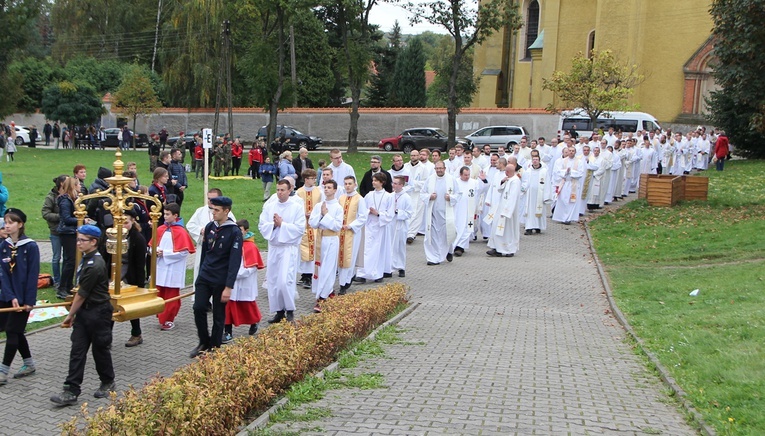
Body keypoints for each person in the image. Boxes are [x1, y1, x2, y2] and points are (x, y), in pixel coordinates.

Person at [50, 225, 115, 406]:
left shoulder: (95, 265)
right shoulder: (87, 259)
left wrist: (70, 315)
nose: (78, 243)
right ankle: (71, 390)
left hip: (98, 312)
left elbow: (81, 294)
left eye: (82, 240)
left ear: (93, 242)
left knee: (100, 349)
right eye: (77, 239)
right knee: (77, 350)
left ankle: (108, 381)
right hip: (86, 312)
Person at [190, 196, 243, 358]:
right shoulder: (210, 227)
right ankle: (203, 341)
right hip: (205, 276)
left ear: (226, 211)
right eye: (213, 209)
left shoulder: (234, 232)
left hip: (221, 279)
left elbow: (235, 261)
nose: (213, 213)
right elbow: (206, 251)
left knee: (218, 315)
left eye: (217, 210)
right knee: (198, 307)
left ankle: (215, 345)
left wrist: (229, 286)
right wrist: (200, 274)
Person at [0, 209, 40, 385]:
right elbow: (2, 274)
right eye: (5, 223)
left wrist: (28, 300)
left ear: (20, 224)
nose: (7, 226)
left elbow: (33, 275)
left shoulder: (30, 246)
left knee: (12, 331)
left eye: (10, 222)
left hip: (24, 297)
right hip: (7, 297)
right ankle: (29, 363)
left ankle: (3, 371)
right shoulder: (3, 246)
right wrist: (10, 296)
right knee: (14, 330)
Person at [258, 180, 305, 324]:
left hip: (287, 249)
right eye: (278, 189)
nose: (279, 192)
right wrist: (273, 224)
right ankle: (279, 311)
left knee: (285, 281)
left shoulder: (296, 207)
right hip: (274, 248)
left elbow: (299, 228)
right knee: (273, 281)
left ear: (289, 190)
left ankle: (290, 310)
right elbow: (262, 225)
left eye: (282, 190)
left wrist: (282, 225)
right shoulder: (270, 206)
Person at [151, 202, 195, 332]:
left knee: (171, 296)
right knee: (160, 293)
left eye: (167, 214)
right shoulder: (160, 229)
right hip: (160, 267)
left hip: (173, 269)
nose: (165, 216)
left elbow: (184, 252)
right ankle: (161, 315)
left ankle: (169, 318)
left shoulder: (181, 232)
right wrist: (155, 251)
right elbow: (151, 246)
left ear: (175, 215)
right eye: (164, 214)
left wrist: (166, 254)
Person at [223, 219, 264, 342]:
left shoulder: (251, 247)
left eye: (240, 230)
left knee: (247, 306)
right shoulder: (231, 243)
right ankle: (228, 332)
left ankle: (254, 322)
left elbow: (251, 267)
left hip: (245, 281)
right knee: (228, 306)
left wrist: (236, 274)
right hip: (231, 282)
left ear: (246, 231)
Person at [308, 179, 343, 312]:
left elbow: (337, 226)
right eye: (325, 187)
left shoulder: (338, 208)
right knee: (319, 267)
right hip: (320, 240)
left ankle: (323, 297)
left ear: (334, 190)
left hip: (331, 239)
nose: (326, 189)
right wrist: (321, 215)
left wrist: (326, 215)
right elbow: (312, 222)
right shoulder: (319, 205)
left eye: (329, 187)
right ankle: (324, 292)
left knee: (328, 268)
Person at [354, 173, 394, 282]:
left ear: (382, 182)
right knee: (366, 250)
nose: (373, 182)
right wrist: (369, 212)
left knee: (378, 251)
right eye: (373, 180)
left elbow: (390, 214)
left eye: (376, 180)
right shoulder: (369, 195)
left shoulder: (388, 196)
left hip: (381, 226)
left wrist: (378, 214)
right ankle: (362, 274)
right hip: (369, 225)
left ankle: (377, 274)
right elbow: (363, 209)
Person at [420, 161, 462, 265]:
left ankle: (448, 251)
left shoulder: (451, 179)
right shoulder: (430, 179)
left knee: (446, 234)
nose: (438, 170)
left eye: (440, 168)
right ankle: (433, 258)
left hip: (446, 213)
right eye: (436, 168)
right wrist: (430, 196)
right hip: (433, 213)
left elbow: (459, 194)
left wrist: (450, 197)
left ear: (445, 168)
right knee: (432, 236)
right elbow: (422, 193)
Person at [336, 176, 367, 295]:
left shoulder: (359, 199)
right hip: (340, 232)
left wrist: (351, 226)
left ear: (355, 185)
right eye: (346, 183)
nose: (347, 186)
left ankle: (345, 282)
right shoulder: (341, 198)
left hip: (352, 232)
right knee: (340, 256)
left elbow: (363, 216)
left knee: (350, 256)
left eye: (350, 183)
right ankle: (343, 280)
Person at [485, 157, 521, 257]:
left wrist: (507, 212)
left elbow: (512, 197)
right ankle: (497, 248)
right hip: (501, 208)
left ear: (509, 171)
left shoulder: (515, 181)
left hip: (508, 211)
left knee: (508, 230)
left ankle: (509, 249)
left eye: (506, 171)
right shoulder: (508, 179)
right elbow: (500, 190)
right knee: (497, 227)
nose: (505, 173)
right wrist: (502, 182)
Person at [122, 210, 147, 347]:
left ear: (132, 222)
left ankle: (136, 333)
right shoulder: (111, 235)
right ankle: (105, 335)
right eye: (120, 222)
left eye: (126, 222)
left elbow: (139, 265)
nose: (123, 225)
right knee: (109, 306)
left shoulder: (137, 239)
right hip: (114, 274)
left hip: (129, 274)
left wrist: (139, 285)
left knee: (131, 307)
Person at [56, 177, 82, 299]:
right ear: (73, 186)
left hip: (71, 232)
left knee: (70, 260)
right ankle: (62, 288)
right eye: (78, 184)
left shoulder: (72, 199)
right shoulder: (65, 200)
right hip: (67, 233)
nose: (80, 186)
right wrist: (81, 220)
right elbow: (66, 218)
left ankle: (68, 285)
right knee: (69, 260)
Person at [296, 169, 322, 289]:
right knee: (303, 250)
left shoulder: (319, 191)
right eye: (312, 178)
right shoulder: (299, 192)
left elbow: (321, 206)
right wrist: (303, 214)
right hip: (303, 225)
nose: (314, 180)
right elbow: (296, 207)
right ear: (306, 179)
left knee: (314, 250)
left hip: (314, 225)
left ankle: (311, 275)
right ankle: (304, 275)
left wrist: (314, 214)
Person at [42, 175, 68, 290]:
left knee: (68, 257)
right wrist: (60, 217)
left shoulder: (69, 195)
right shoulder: (51, 197)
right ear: (62, 184)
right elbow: (45, 213)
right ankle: (57, 280)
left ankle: (66, 280)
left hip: (67, 232)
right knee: (56, 257)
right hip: (56, 231)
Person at [453, 166, 486, 256]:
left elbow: (482, 189)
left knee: (467, 228)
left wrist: (483, 180)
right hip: (457, 209)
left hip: (469, 210)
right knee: (456, 227)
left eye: (468, 175)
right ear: (460, 174)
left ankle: (460, 247)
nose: (467, 177)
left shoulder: (474, 182)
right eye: (465, 175)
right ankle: (453, 246)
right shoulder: (455, 182)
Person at [404, 149, 433, 244]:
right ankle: (406, 232)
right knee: (408, 212)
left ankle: (411, 234)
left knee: (417, 214)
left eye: (415, 155)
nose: (413, 157)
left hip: (418, 193)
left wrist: (414, 184)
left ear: (418, 156)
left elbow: (426, 182)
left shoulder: (424, 168)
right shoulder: (405, 166)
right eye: (412, 155)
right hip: (407, 193)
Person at [552, 147, 585, 225]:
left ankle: (569, 218)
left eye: (573, 151)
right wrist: (566, 172)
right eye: (569, 151)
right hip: (565, 183)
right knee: (563, 200)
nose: (571, 152)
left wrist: (571, 172)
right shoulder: (563, 161)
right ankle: (562, 217)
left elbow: (581, 173)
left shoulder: (579, 162)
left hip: (573, 184)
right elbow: (558, 171)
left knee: (571, 201)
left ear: (575, 152)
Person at [390, 175, 413, 277]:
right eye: (393, 183)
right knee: (390, 246)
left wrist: (398, 212)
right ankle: (389, 267)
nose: (393, 185)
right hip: (391, 224)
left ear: (401, 185)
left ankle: (401, 267)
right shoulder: (390, 196)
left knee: (399, 246)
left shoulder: (406, 197)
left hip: (401, 225)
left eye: (395, 183)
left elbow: (409, 213)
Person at [521, 156, 551, 235]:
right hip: (530, 195)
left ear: (539, 161)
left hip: (540, 195)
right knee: (530, 211)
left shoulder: (544, 171)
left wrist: (546, 196)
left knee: (539, 210)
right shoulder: (528, 171)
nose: (535, 161)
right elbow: (525, 182)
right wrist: (522, 190)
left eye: (536, 160)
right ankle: (529, 228)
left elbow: (547, 183)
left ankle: (538, 227)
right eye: (533, 160)